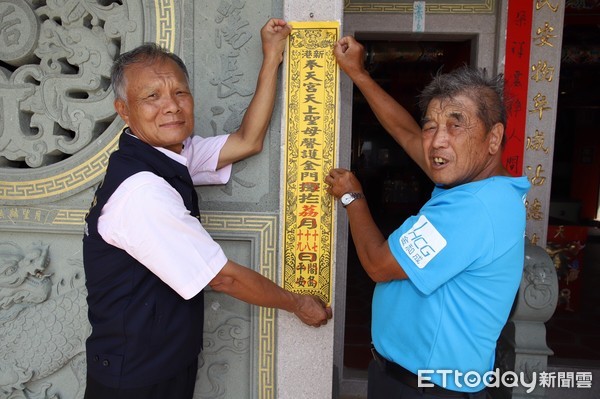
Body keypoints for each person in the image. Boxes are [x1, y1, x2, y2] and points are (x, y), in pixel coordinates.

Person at [82, 19, 332, 399]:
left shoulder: (166, 154)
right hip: (135, 377)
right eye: (152, 97)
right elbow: (223, 277)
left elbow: (247, 140)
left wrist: (272, 57)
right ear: (124, 110)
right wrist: (297, 303)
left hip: (158, 360)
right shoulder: (142, 191)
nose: (171, 106)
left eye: (180, 92)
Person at [326, 36, 530, 399]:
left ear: (493, 137)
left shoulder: (471, 210)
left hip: (427, 390)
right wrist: (358, 74)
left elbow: (377, 264)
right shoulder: (481, 186)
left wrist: (352, 197)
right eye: (431, 126)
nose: (437, 141)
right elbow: (405, 133)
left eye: (456, 125)